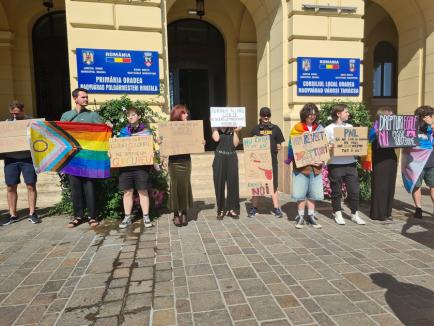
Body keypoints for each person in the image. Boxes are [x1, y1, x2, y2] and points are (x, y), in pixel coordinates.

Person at [61, 88, 104, 228]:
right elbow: (61, 136)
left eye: (87, 97)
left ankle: (92, 217)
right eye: (83, 97)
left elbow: (102, 133)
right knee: (75, 189)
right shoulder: (66, 116)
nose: (86, 99)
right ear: (75, 99)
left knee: (89, 187)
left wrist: (108, 126)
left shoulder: (93, 116)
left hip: (89, 158)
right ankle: (78, 216)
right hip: (73, 159)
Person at [325, 104, 365, 225]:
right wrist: (332, 146)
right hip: (335, 164)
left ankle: (354, 214)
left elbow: (355, 144)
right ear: (338, 114)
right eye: (346, 112)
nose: (348, 114)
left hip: (350, 163)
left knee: (354, 190)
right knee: (336, 190)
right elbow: (324, 148)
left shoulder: (350, 126)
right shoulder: (328, 129)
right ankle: (337, 213)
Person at [2, 100, 41, 225]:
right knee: (10, 187)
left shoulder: (31, 122)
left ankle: (32, 213)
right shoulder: (6, 124)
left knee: (31, 185)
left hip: (27, 159)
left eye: (17, 114)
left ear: (23, 111)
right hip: (11, 159)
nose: (14, 116)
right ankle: (13, 215)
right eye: (12, 113)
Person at [287, 103, 323, 229]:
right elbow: (292, 148)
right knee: (300, 193)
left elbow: (324, 146)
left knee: (313, 193)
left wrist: (322, 160)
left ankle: (311, 216)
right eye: (309, 114)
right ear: (304, 114)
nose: (312, 116)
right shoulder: (296, 129)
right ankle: (301, 216)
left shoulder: (319, 128)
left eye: (314, 114)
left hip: (316, 168)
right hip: (301, 168)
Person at [117, 107, 153, 229]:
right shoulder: (123, 132)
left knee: (143, 191)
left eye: (133, 115)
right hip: (126, 167)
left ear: (138, 116)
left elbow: (152, 147)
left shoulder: (146, 132)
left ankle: (146, 216)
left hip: (141, 167)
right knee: (127, 192)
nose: (130, 117)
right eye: (128, 115)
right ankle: (127, 217)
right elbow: (118, 148)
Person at [248, 107, 285, 218]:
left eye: (267, 115)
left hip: (271, 161)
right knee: (256, 185)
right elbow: (249, 146)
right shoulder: (255, 129)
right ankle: (254, 208)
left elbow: (279, 144)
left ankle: (276, 208)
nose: (265, 117)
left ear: (270, 116)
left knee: (273, 185)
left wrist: (278, 147)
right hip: (257, 164)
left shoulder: (276, 128)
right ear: (260, 116)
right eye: (263, 115)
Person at [402, 105, 434, 219]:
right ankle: (418, 208)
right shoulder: (411, 128)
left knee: (433, 186)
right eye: (426, 116)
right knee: (416, 185)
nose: (429, 118)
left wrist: (431, 125)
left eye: (430, 116)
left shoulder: (432, 127)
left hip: (431, 161)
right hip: (415, 163)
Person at [166, 104, 193, 227]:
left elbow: (195, 141)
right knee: (175, 186)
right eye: (184, 113)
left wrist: (200, 142)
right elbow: (164, 141)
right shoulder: (168, 128)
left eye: (186, 113)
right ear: (177, 115)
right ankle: (176, 214)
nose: (187, 115)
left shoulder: (190, 127)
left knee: (185, 185)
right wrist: (161, 141)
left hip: (186, 161)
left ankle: (185, 212)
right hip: (174, 162)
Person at [369, 107, 397, 221]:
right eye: (390, 115)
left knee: (390, 185)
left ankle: (387, 212)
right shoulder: (375, 126)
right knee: (380, 186)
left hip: (391, 158)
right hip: (380, 159)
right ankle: (378, 213)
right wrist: (376, 133)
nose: (393, 117)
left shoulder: (394, 127)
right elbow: (369, 139)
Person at [212, 127, 241, 220]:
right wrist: (214, 127)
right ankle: (220, 209)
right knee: (219, 183)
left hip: (231, 156)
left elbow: (235, 144)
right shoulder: (216, 128)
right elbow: (216, 138)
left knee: (232, 183)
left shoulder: (233, 128)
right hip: (220, 157)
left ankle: (231, 209)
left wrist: (235, 131)